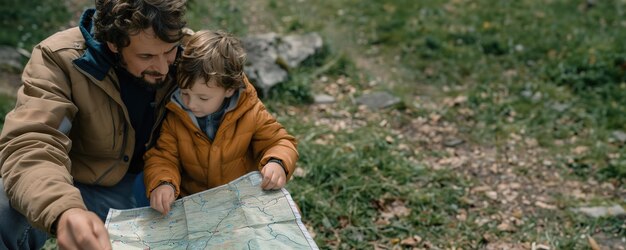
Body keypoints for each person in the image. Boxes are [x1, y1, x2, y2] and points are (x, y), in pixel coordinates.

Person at [0, 0, 188, 249]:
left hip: (171, 186)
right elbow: (31, 143)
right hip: (86, 187)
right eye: (147, 56)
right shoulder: (59, 59)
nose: (163, 67)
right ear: (113, 43)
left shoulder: (196, 53)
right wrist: (65, 211)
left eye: (170, 51)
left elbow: (244, 112)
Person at [143, 30, 299, 216]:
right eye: (185, 93)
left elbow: (280, 142)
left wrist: (277, 162)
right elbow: (163, 157)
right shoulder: (176, 115)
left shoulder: (250, 111)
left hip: (243, 203)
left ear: (229, 90)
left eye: (203, 97)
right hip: (195, 206)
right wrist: (163, 183)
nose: (190, 104)